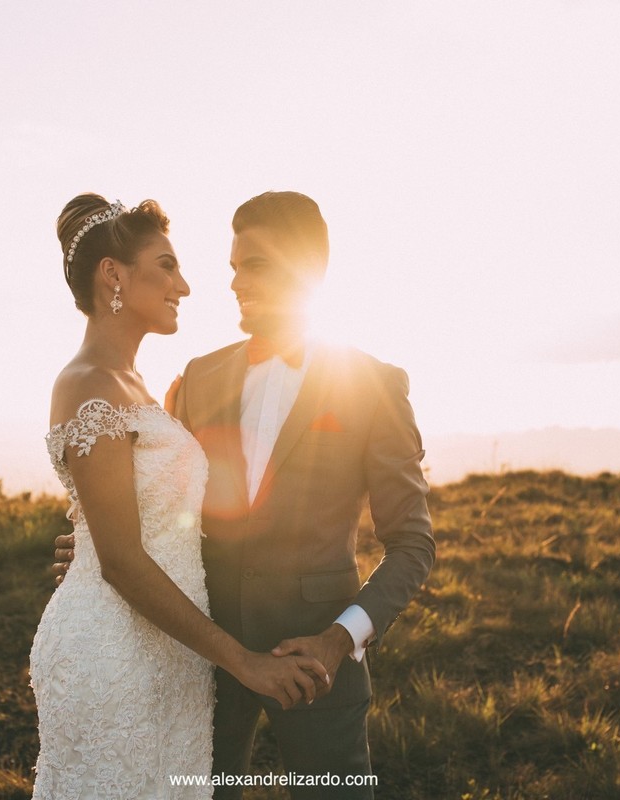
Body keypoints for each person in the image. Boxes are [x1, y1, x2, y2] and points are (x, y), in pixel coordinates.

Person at [54, 191, 435, 798]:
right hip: (201, 666)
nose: (234, 283)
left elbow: (412, 545)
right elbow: (160, 498)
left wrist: (339, 641)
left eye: (254, 265)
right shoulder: (199, 377)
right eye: (233, 267)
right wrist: (96, 548)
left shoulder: (373, 385)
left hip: (319, 671)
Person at [30, 194, 328, 800]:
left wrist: (88, 541)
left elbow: (140, 513)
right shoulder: (88, 383)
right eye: (166, 265)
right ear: (113, 274)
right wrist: (243, 661)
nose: (185, 286)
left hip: (172, 652)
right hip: (115, 653)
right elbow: (121, 560)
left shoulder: (135, 385)